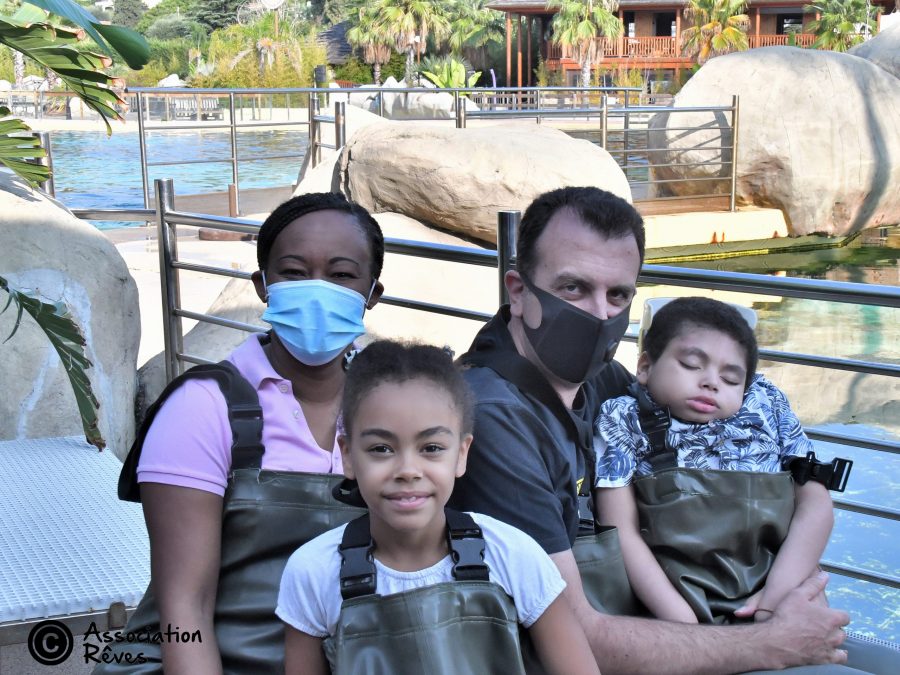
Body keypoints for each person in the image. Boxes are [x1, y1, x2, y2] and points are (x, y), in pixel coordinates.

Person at [448, 186, 866, 674]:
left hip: (682, 615)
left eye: (618, 294)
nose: (599, 315)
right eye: (573, 288)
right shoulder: (494, 419)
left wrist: (783, 590)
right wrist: (769, 641)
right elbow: (574, 637)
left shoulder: (602, 380)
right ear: (518, 292)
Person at [95, 192, 385, 674]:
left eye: (341, 275)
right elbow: (184, 609)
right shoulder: (203, 408)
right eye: (294, 272)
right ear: (262, 285)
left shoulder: (388, 408)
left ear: (372, 293)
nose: (317, 291)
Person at [277, 340, 600, 675]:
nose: (408, 470)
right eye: (381, 449)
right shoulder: (314, 573)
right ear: (347, 455)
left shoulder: (513, 556)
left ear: (461, 454)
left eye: (431, 447)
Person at [595, 296, 835, 625]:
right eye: (692, 365)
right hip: (673, 603)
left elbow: (816, 504)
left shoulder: (766, 402)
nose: (711, 382)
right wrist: (688, 627)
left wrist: (773, 600)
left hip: (776, 588)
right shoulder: (622, 417)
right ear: (645, 367)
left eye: (731, 379)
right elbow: (620, 529)